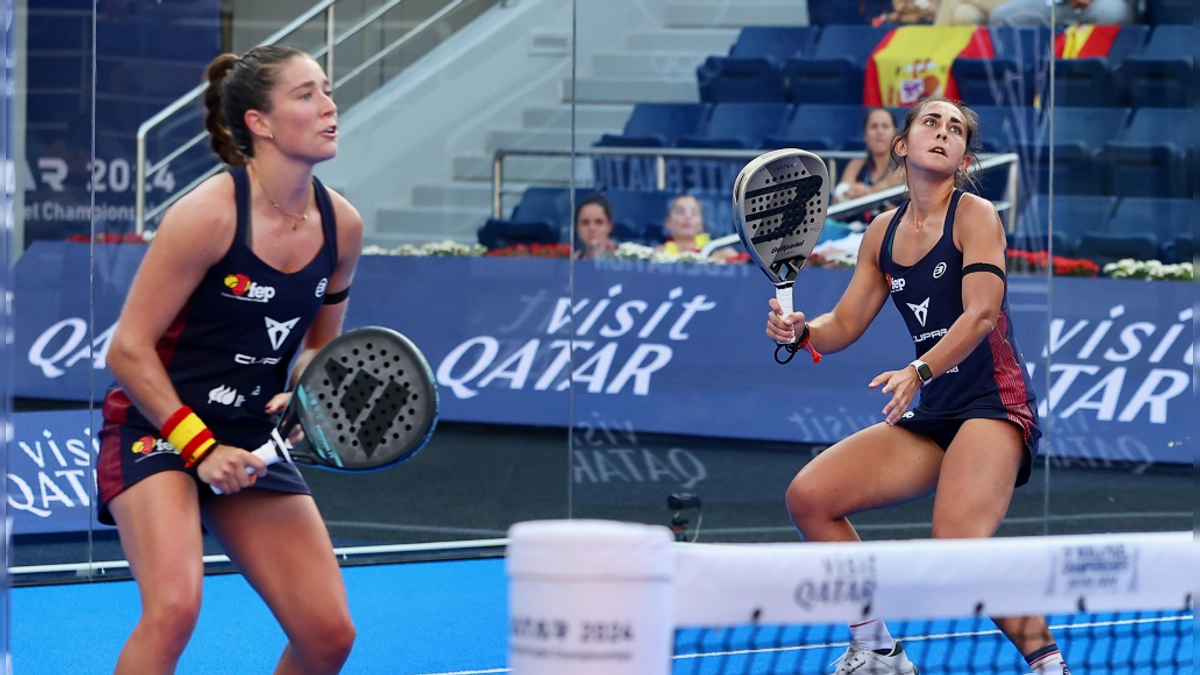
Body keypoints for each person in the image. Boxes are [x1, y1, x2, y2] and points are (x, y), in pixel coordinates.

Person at [765, 97, 1070, 675]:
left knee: (957, 542)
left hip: (993, 405)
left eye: (955, 129)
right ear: (901, 146)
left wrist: (919, 369)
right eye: (931, 121)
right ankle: (876, 649)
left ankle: (1049, 666)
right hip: (935, 412)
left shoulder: (975, 214)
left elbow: (982, 315)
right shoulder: (881, 231)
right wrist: (803, 330)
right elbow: (845, 324)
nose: (943, 131)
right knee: (810, 498)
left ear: (961, 157)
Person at [98, 45, 361, 675]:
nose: (329, 106)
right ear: (260, 123)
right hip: (157, 429)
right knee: (174, 608)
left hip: (249, 438)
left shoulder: (342, 225)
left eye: (326, 90)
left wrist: (302, 392)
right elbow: (127, 350)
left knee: (328, 635)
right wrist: (200, 449)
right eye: (306, 94)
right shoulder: (206, 216)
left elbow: (317, 348)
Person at [833, 108, 904, 223]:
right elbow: (837, 203)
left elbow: (903, 218)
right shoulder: (856, 163)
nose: (879, 132)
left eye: (885, 126)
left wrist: (865, 194)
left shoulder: (903, 167)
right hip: (854, 230)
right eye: (874, 127)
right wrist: (845, 196)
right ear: (865, 135)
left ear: (895, 135)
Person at [657, 194, 738, 262]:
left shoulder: (716, 253)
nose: (688, 216)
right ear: (667, 223)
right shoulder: (659, 256)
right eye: (680, 212)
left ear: (701, 225)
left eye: (694, 213)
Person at [989, 0, 1133, 25]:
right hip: (1055, 4)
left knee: (1111, 13)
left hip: (1099, 4)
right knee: (1001, 17)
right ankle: (1019, 82)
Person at [574, 193, 618, 260]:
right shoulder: (571, 263)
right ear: (577, 227)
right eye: (585, 222)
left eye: (599, 222)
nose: (592, 228)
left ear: (609, 227)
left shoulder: (625, 261)